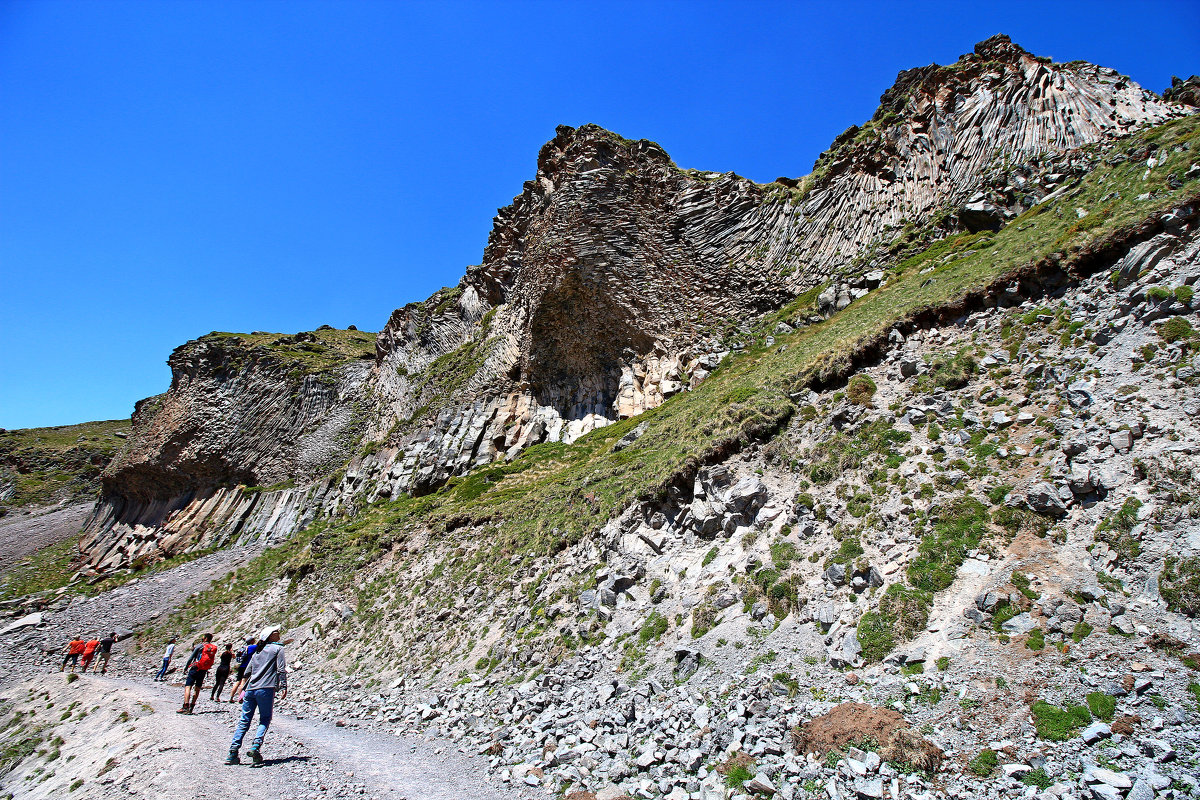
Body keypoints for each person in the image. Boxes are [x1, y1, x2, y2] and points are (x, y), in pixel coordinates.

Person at [225, 626, 286, 766]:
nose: (278, 633)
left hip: (251, 689)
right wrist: (283, 686)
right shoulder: (278, 649)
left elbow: (247, 672)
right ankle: (255, 747)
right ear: (270, 636)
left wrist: (242, 688)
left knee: (244, 720)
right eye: (276, 632)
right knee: (264, 719)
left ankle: (233, 752)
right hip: (266, 688)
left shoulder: (257, 652)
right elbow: (281, 669)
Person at [177, 633, 217, 714]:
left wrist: (186, 668)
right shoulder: (212, 648)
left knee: (188, 687)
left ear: (205, 638)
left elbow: (191, 658)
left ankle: (185, 706)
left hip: (195, 668)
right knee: (197, 688)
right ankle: (192, 706)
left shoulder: (200, 646)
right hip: (204, 669)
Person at [227, 637, 257, 703]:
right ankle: (240, 698)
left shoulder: (243, 647)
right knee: (244, 681)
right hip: (248, 666)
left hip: (241, 666)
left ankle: (231, 697)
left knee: (238, 682)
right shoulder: (253, 647)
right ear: (252, 641)